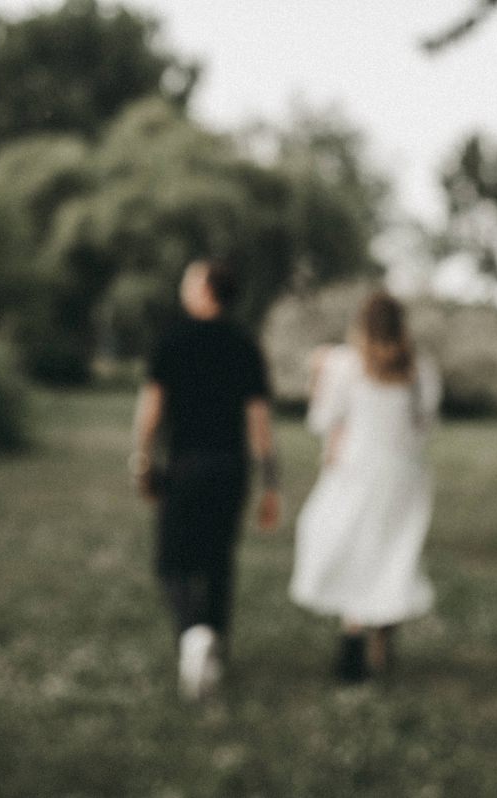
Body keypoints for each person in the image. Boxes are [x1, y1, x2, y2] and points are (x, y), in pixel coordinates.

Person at [130, 259, 281, 701]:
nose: (183, 286)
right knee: (218, 560)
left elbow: (152, 411)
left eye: (190, 280)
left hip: (185, 466)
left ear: (207, 290)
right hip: (230, 468)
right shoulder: (244, 344)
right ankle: (216, 648)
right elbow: (259, 422)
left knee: (172, 562)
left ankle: (192, 633)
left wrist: (142, 461)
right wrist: (270, 482)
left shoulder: (172, 341)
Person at [289, 290, 442, 682]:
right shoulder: (419, 369)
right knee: (392, 554)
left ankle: (353, 637)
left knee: (356, 551)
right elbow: (424, 426)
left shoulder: (343, 364)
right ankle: (381, 641)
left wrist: (317, 376)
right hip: (402, 474)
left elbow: (321, 421)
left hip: (356, 472)